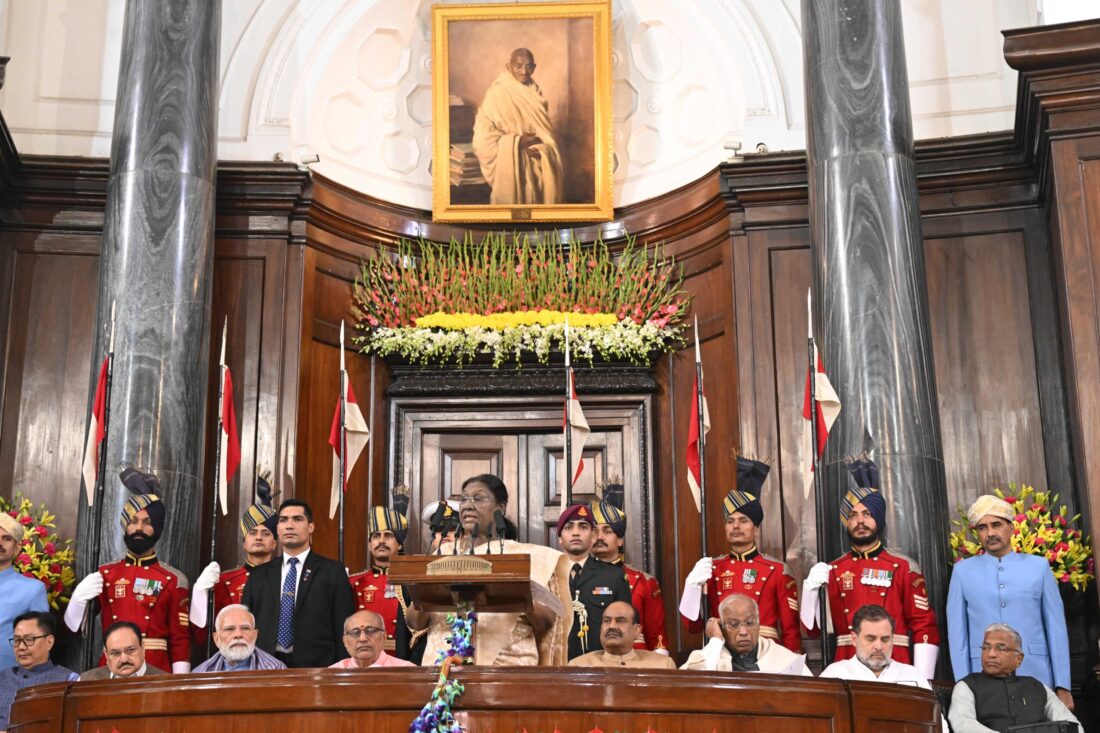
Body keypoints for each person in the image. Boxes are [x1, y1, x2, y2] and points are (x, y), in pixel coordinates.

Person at [801, 458, 938, 677]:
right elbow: (814, 631)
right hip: (846, 666)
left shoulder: (903, 566)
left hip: (894, 665)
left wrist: (923, 680)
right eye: (852, 515)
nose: (860, 521)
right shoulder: (833, 570)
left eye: (867, 514)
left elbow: (924, 626)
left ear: (878, 518)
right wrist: (810, 592)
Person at [416, 474, 571, 666]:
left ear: (501, 508)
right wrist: (425, 592)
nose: (468, 505)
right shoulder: (443, 556)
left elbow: (546, 623)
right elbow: (415, 622)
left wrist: (516, 587)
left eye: (478, 498)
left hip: (506, 669)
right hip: (444, 672)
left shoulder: (528, 557)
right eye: (464, 499)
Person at [947, 494, 1073, 709]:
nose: (990, 533)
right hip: (982, 677)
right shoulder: (962, 572)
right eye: (983, 528)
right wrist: (962, 686)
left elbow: (1056, 629)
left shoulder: (1039, 567)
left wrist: (1063, 685)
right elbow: (957, 634)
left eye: (996, 525)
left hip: (1036, 672)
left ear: (1011, 527)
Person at [64, 467, 192, 673]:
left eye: (147, 522)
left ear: (157, 529)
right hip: (112, 667)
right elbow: (75, 629)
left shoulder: (175, 579)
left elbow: (180, 640)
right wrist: (78, 599)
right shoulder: (105, 574)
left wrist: (180, 684)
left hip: (155, 670)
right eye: (133, 521)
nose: (139, 528)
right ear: (125, 526)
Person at [679, 457, 802, 652]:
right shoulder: (711, 569)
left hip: (765, 653)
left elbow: (791, 631)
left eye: (743, 521)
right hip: (723, 653)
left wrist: (794, 663)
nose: (736, 526)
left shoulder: (777, 570)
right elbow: (692, 626)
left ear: (756, 529)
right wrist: (692, 586)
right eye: (730, 521)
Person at [241, 498, 355, 668]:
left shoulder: (332, 572)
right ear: (277, 529)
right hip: (265, 665)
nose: (289, 525)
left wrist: (341, 670)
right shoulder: (258, 574)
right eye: (283, 520)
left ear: (311, 527)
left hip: (317, 668)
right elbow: (245, 623)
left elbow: (344, 627)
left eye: (297, 519)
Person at [949, 623, 1082, 733]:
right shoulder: (967, 686)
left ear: (1019, 658)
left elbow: (1071, 723)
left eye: (1001, 648)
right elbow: (962, 724)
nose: (991, 654)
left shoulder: (1036, 686)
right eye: (986, 647)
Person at [471, 47, 564, 205]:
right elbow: (482, 138)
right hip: (509, 164)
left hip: (536, 163)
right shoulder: (497, 92)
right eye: (519, 66)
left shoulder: (535, 93)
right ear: (509, 66)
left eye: (528, 66)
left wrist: (543, 150)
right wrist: (517, 142)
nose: (524, 71)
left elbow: (545, 134)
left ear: (534, 67)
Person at [190, 474, 279, 635]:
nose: (259, 537)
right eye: (253, 533)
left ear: (274, 543)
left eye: (266, 533)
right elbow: (201, 635)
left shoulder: (286, 579)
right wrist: (200, 592)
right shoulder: (224, 581)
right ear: (244, 543)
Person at [590, 489, 669, 654]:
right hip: (591, 660)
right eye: (594, 532)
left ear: (620, 540)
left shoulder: (644, 582)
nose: (599, 537)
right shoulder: (578, 578)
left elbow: (657, 639)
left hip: (634, 661)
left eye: (607, 531)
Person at [558, 503, 632, 660]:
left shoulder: (614, 576)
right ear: (559, 538)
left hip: (600, 666)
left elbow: (625, 628)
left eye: (583, 527)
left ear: (592, 537)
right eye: (569, 527)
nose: (576, 533)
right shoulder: (547, 574)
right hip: (556, 665)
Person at [681, 594, 811, 675]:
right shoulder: (708, 656)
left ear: (758, 623)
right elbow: (694, 687)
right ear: (721, 626)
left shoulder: (784, 658)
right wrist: (716, 641)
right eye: (734, 624)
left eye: (749, 623)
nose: (743, 632)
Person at [349, 503, 409, 655]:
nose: (381, 541)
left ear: (400, 545)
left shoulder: (411, 582)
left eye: (388, 535)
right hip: (362, 656)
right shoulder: (353, 583)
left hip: (401, 656)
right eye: (376, 536)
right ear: (370, 545)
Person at [0, 612, 77, 729]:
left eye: (29, 639)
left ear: (49, 642)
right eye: (17, 640)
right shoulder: (3, 678)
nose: (21, 647)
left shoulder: (70, 681)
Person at [0, 513, 47, 672]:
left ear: (17, 548)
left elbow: (40, 642)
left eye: (7, 538)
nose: (0, 543)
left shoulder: (33, 589)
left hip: (12, 679)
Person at [569, 601, 676, 669]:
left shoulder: (662, 665)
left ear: (636, 630)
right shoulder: (578, 666)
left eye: (620, 621)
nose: (612, 626)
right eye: (607, 621)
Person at [193, 604, 285, 672]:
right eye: (229, 629)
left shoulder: (276, 670)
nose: (238, 634)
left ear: (255, 635)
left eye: (245, 628)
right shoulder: (200, 674)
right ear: (217, 639)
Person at [79, 621, 167, 680]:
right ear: (106, 655)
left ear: (143, 648)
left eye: (130, 650)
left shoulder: (166, 683)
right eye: (115, 653)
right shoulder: (86, 681)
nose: (124, 659)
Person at [329, 610, 417, 669]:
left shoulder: (407, 671)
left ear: (384, 636)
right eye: (355, 632)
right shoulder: (332, 675)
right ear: (345, 641)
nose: (363, 639)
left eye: (370, 630)